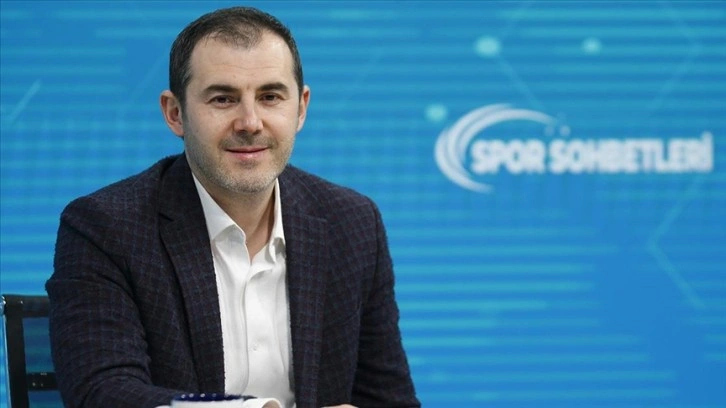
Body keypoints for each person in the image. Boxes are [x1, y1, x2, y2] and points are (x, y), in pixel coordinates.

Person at [46, 6, 419, 408]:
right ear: (175, 114)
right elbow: (104, 393)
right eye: (223, 99)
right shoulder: (106, 228)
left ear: (301, 108)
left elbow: (389, 399)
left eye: (270, 97)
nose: (250, 122)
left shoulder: (352, 223)